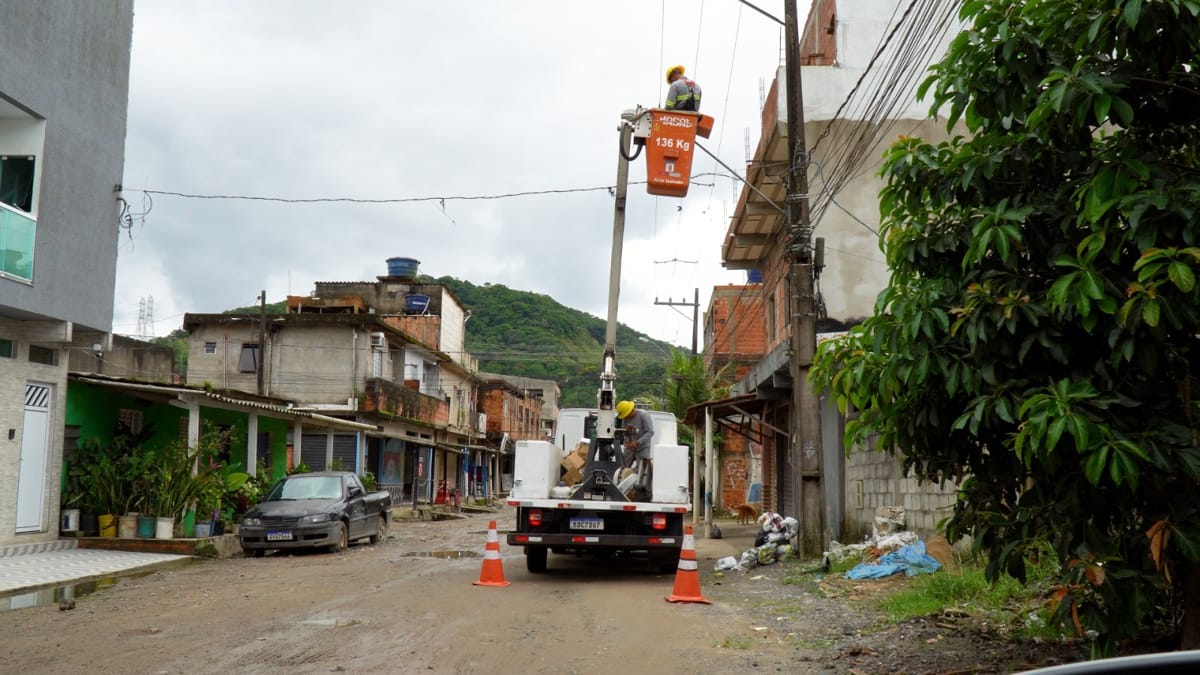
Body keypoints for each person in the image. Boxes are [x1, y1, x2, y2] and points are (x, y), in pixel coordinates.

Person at [616, 400, 656, 494]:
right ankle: (621, 487)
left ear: (631, 411)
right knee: (623, 466)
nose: (625, 418)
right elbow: (625, 431)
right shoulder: (625, 418)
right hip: (630, 446)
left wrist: (638, 442)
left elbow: (650, 432)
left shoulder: (643, 415)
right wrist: (626, 440)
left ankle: (644, 490)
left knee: (642, 469)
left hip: (642, 447)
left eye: (626, 416)